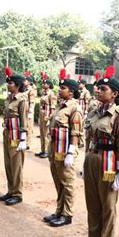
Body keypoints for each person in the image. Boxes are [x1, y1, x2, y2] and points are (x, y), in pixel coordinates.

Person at [75, 65, 119, 237]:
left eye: (102, 89)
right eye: (97, 88)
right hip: (93, 159)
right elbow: (89, 140)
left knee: (107, 206)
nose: (97, 91)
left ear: (114, 94)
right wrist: (85, 161)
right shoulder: (94, 113)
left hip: (109, 162)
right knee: (93, 204)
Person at [43, 69, 83, 227]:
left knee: (67, 182)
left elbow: (75, 132)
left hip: (65, 149)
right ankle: (59, 210)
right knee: (58, 181)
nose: (59, 90)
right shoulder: (61, 106)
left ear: (71, 92)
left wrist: (71, 152)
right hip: (54, 148)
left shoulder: (75, 109)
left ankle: (67, 214)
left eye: (63, 88)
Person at [0, 67, 28, 205]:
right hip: (8, 133)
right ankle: (10, 190)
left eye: (10, 83)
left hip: (16, 135)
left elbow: (24, 120)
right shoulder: (9, 98)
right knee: (8, 164)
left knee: (16, 165)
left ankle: (17, 193)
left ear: (16, 85)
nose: (8, 85)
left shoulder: (22, 100)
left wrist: (23, 138)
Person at [35, 72, 57, 158]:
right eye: (43, 83)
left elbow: (53, 107)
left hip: (47, 114)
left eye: (45, 83)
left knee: (46, 133)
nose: (44, 84)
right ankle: (42, 149)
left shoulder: (51, 94)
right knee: (41, 132)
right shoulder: (44, 93)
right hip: (42, 113)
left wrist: (50, 118)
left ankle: (47, 151)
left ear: (49, 85)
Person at [77, 75, 91, 149]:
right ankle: (79, 141)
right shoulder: (79, 91)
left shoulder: (86, 92)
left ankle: (82, 142)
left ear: (84, 84)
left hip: (82, 112)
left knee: (82, 127)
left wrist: (86, 112)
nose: (79, 85)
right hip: (78, 111)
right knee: (78, 126)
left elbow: (87, 102)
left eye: (80, 84)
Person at [23, 71, 37, 150]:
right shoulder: (24, 89)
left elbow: (32, 101)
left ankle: (28, 143)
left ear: (29, 82)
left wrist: (31, 111)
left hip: (28, 110)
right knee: (24, 126)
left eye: (25, 81)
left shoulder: (31, 90)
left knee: (29, 127)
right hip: (24, 110)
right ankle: (24, 141)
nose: (24, 82)